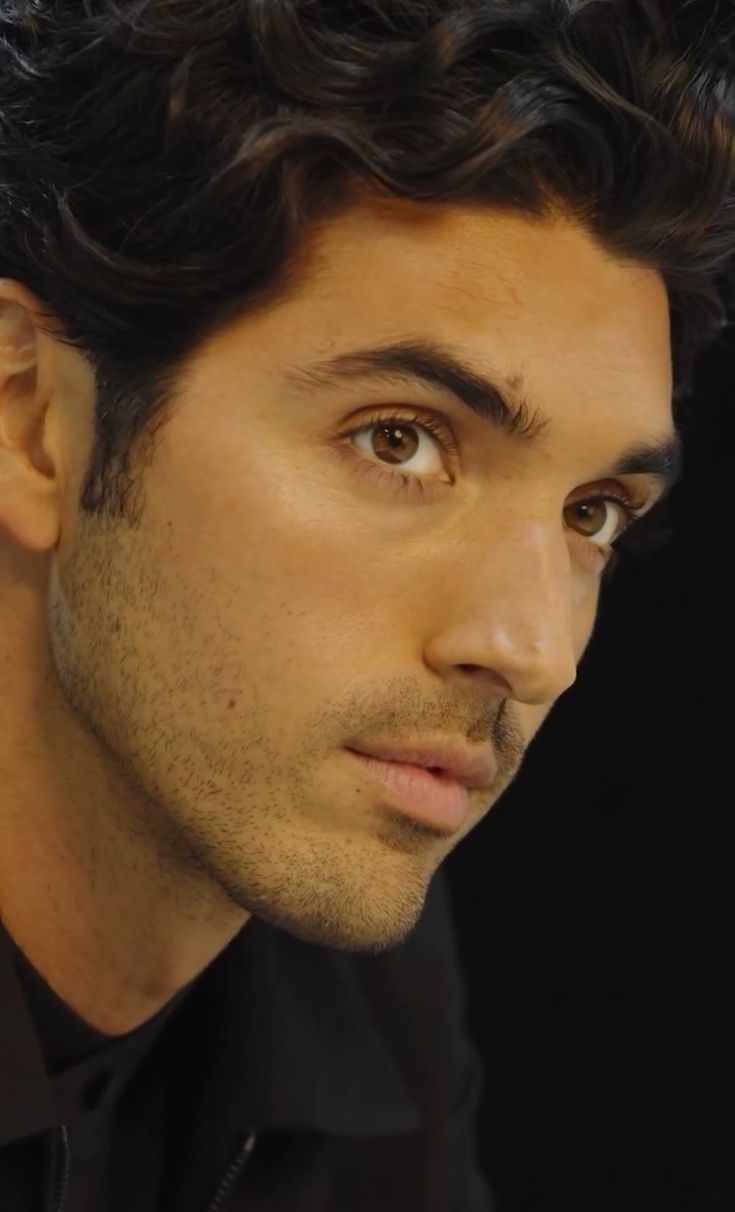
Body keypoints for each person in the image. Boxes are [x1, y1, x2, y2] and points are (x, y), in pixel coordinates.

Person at [0, 1, 733, 1209]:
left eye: (592, 513)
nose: (531, 649)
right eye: (399, 441)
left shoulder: (361, 986)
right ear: (32, 418)